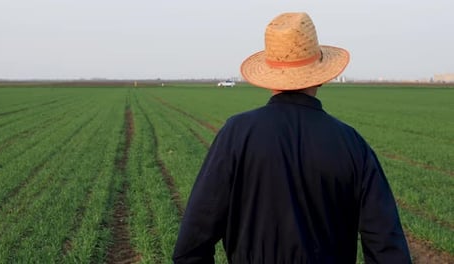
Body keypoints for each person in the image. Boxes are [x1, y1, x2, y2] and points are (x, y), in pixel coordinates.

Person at [173, 12, 411, 263]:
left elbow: (190, 248)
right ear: (320, 76)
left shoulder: (236, 134)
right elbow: (388, 250)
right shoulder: (351, 144)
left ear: (269, 75)